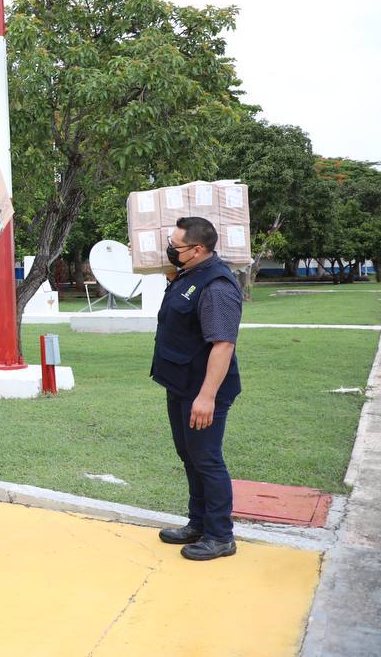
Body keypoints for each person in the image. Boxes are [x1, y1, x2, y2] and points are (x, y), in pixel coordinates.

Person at [152, 216, 243, 561]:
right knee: (189, 455)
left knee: (206, 459)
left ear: (198, 249)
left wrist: (206, 397)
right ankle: (198, 523)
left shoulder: (216, 286)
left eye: (175, 246)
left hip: (203, 390)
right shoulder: (188, 274)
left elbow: (223, 345)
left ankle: (220, 535)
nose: (170, 250)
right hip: (180, 382)